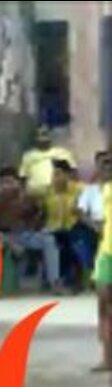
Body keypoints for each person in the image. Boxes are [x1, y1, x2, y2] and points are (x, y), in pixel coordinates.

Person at [0, 167, 60, 293]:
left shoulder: (29, 199)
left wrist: (39, 225)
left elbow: (39, 220)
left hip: (26, 235)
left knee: (49, 240)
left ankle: (54, 282)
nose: (6, 186)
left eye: (9, 182)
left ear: (18, 183)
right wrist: (9, 242)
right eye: (3, 183)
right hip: (3, 236)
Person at [42, 160, 85, 292]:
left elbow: (82, 211)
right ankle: (55, 281)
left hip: (75, 226)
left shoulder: (79, 189)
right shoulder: (48, 191)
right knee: (53, 241)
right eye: (54, 174)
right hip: (52, 228)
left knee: (73, 242)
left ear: (68, 175)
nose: (55, 177)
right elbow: (42, 212)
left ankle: (75, 280)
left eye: (59, 174)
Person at [77, 153, 111, 290]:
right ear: (98, 168)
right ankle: (93, 274)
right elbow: (81, 213)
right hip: (93, 226)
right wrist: (94, 226)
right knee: (79, 241)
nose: (108, 167)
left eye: (110, 163)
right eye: (104, 164)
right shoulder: (90, 190)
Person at [93, 162, 112, 372]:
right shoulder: (105, 190)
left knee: (106, 308)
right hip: (107, 252)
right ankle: (107, 358)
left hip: (107, 252)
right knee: (104, 307)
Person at [20, 126, 76, 195]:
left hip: (59, 193)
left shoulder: (62, 153)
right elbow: (23, 177)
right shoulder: (28, 156)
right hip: (35, 194)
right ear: (35, 138)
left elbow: (73, 173)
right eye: (39, 135)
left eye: (45, 134)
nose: (42, 138)